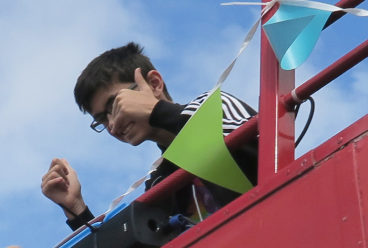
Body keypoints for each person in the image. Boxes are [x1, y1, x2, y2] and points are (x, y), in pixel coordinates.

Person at [41, 42, 258, 230]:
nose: (113, 123)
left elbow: (264, 150)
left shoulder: (211, 107)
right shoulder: (159, 184)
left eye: (115, 104)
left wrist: (157, 111)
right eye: (102, 120)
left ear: (154, 83)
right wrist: (76, 208)